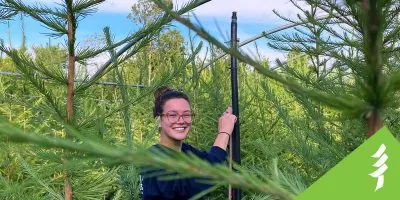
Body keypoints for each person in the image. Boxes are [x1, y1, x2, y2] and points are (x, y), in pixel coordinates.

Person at [140, 86, 237, 200]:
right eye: (172, 115)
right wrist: (224, 132)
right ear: (158, 120)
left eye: (186, 114)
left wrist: (227, 123)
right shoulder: (153, 159)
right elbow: (199, 181)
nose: (181, 121)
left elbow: (211, 161)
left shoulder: (186, 151)